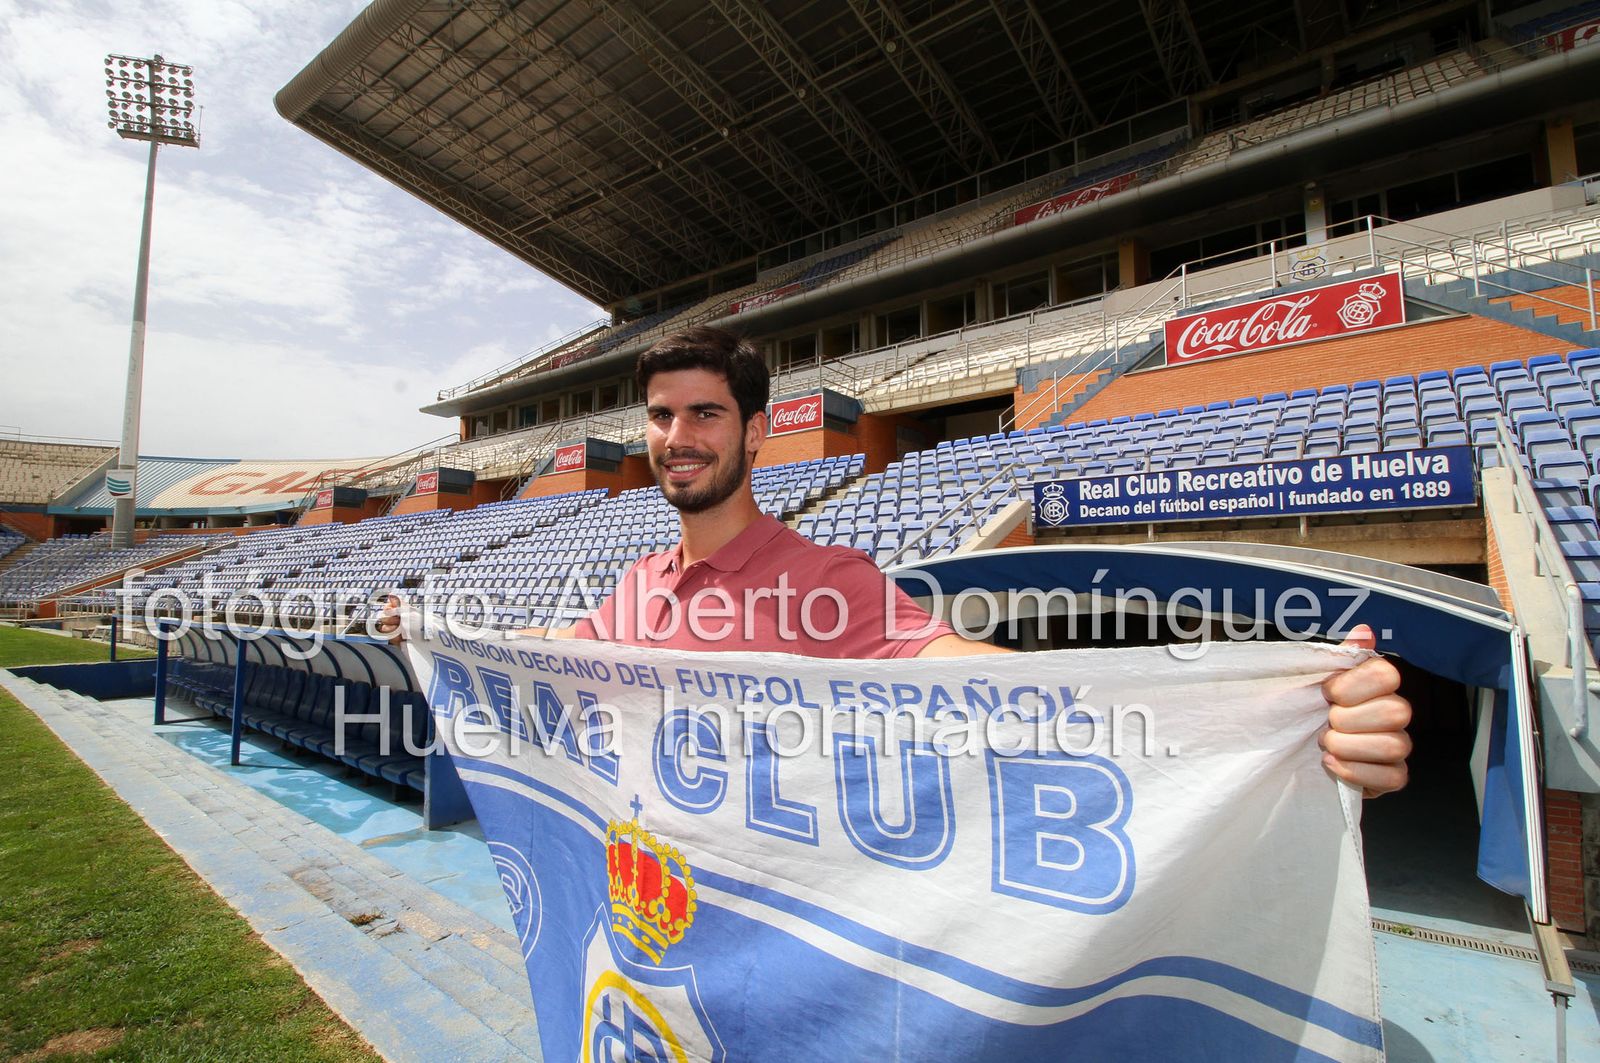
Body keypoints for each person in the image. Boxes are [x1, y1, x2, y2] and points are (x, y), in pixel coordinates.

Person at [390, 326, 1411, 796]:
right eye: (661, 415)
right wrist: (435, 626)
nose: (677, 434)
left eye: (704, 411)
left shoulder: (829, 582)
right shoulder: (631, 588)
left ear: (754, 430)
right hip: (648, 935)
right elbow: (556, 649)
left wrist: (1273, 709)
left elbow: (976, 670)